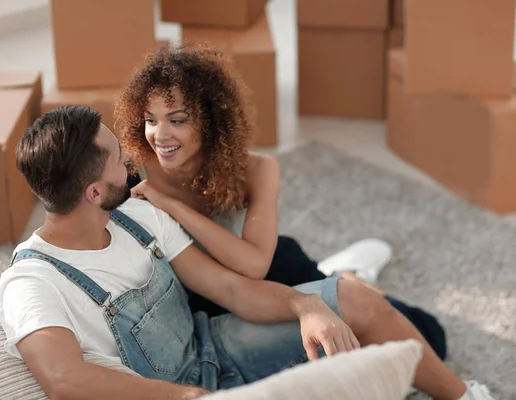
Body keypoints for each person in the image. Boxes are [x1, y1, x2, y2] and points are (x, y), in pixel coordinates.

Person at [0, 105, 493, 400]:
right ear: (93, 193)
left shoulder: (137, 214)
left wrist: (307, 305)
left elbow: (231, 287)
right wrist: (190, 396)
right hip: (177, 393)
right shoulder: (32, 282)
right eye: (114, 159)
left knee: (356, 301)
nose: (128, 159)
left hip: (213, 346)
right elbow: (63, 378)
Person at [116, 42, 447, 359]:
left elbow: (255, 266)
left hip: (276, 274)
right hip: (206, 298)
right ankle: (340, 274)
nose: (160, 134)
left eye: (177, 120)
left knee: (430, 340)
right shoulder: (130, 176)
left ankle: (347, 276)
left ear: (211, 120)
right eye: (150, 119)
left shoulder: (258, 169)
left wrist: (172, 206)